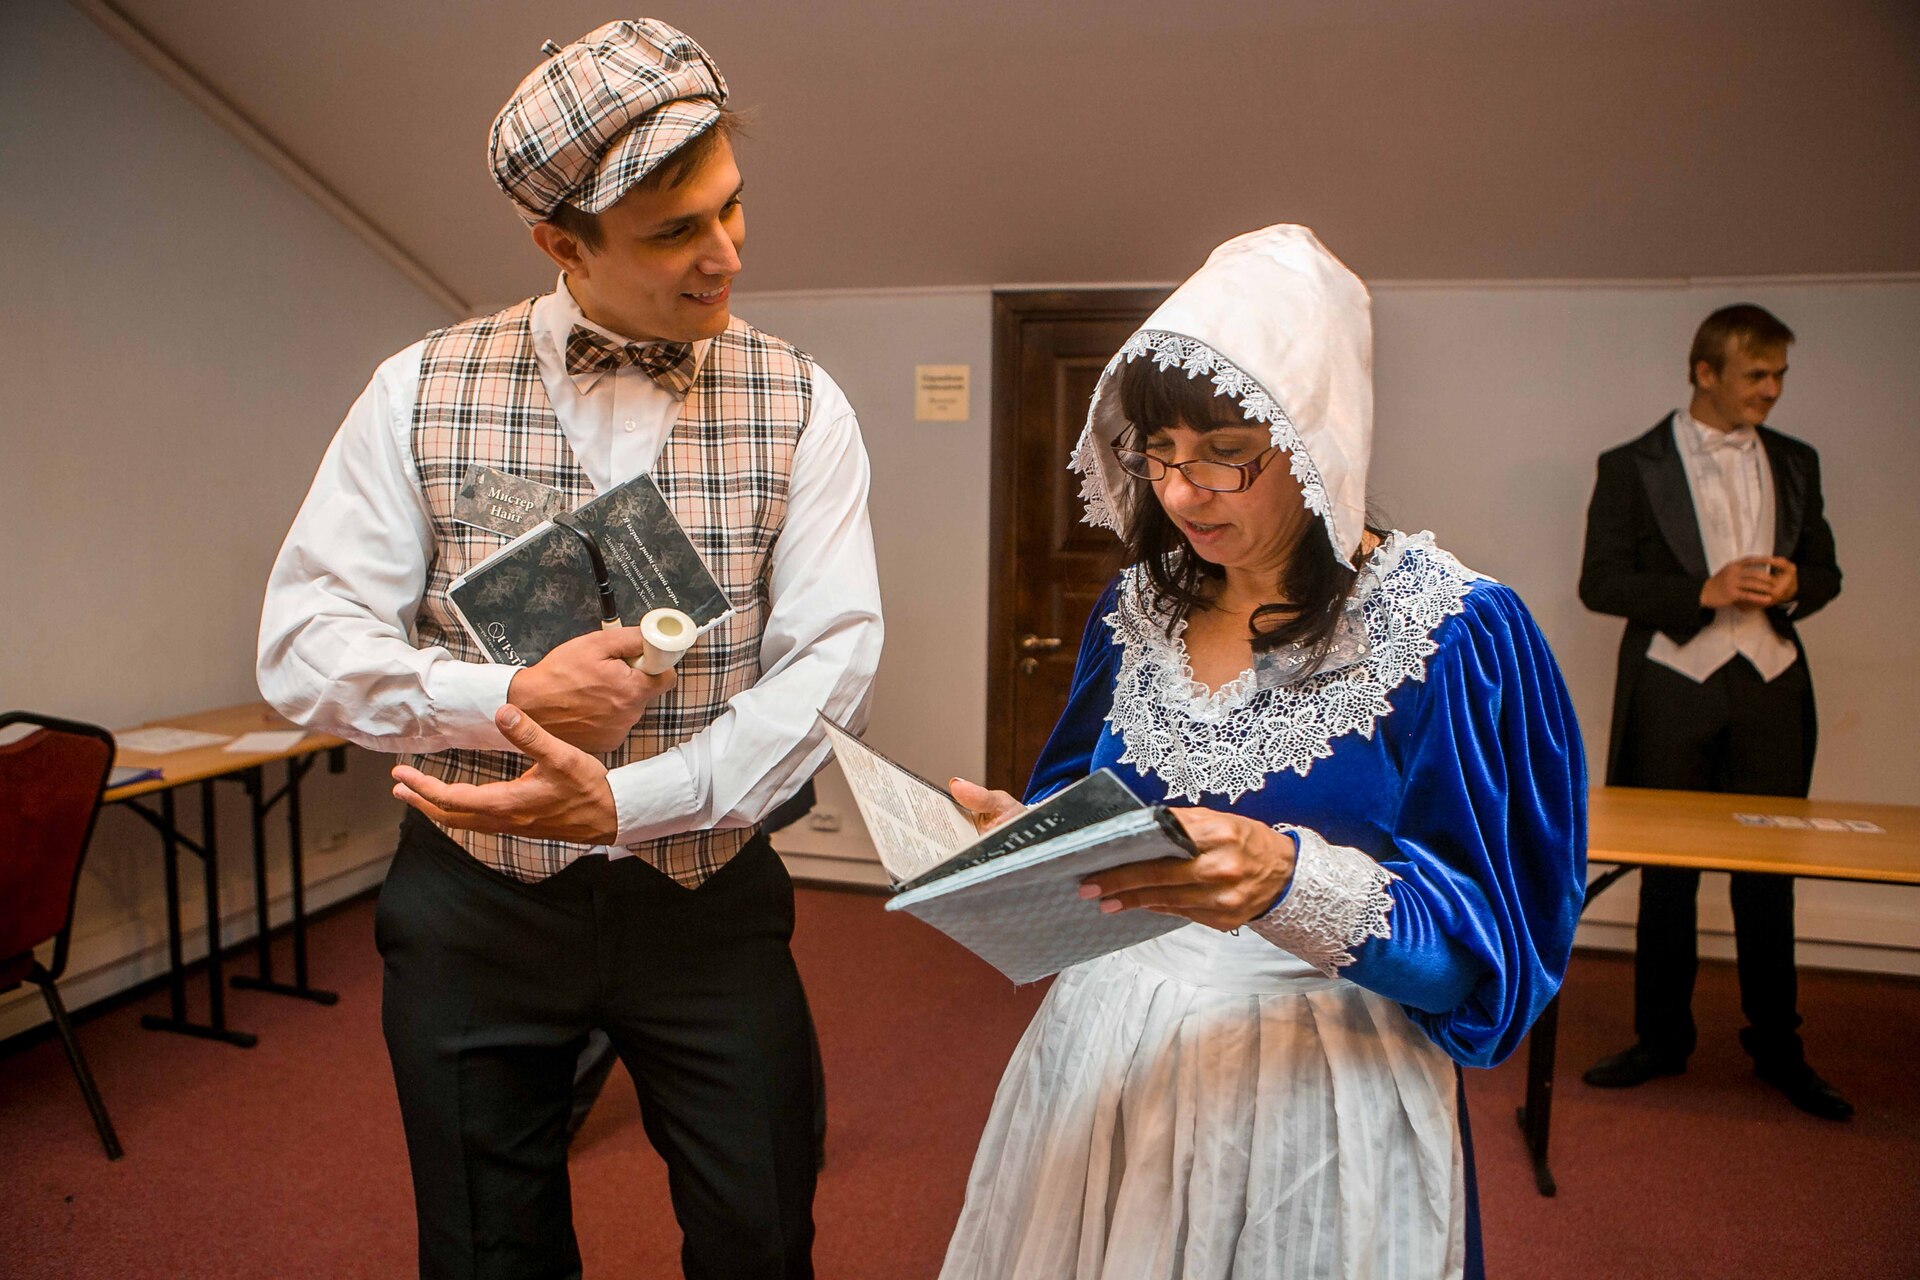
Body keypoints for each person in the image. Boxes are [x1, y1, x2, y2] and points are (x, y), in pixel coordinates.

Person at [257, 20, 882, 1278]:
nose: (726, 253)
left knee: (762, 1232)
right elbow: (302, 643)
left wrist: (632, 800)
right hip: (474, 906)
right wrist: (505, 695)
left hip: (706, 902)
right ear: (561, 244)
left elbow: (831, 662)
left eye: (731, 205)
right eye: (673, 231)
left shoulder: (804, 400)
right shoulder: (415, 388)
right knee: (487, 1247)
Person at [941, 225, 1586, 1279]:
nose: (1182, 491)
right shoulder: (1137, 611)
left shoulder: (1452, 634)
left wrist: (1291, 882)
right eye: (1160, 450)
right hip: (1108, 1057)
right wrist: (1029, 842)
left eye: (1226, 451)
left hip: (1317, 1082)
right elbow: (1088, 809)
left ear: (1317, 437)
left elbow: (1482, 959)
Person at [1577, 305, 1848, 1120]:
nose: (1772, 390)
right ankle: (1661, 1039)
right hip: (1673, 687)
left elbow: (1827, 572)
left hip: (1772, 687)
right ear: (1705, 372)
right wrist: (1701, 590)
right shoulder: (1630, 465)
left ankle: (1779, 1048)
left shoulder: (1797, 461)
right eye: (1756, 375)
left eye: (1779, 376)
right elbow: (1600, 583)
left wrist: (1797, 585)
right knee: (1667, 876)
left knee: (1769, 875)